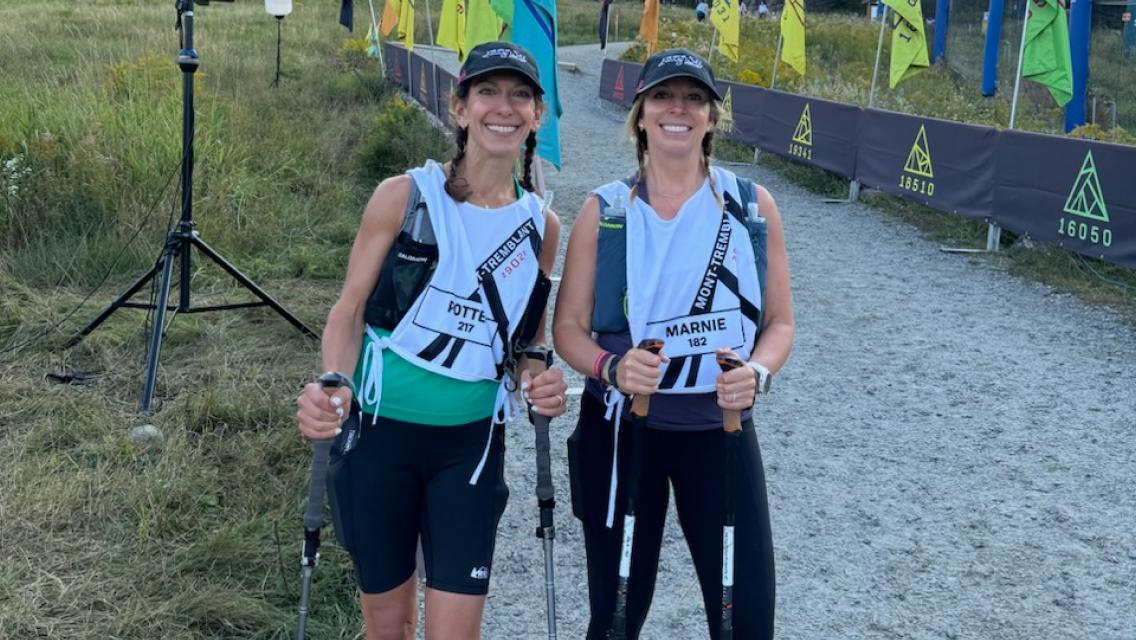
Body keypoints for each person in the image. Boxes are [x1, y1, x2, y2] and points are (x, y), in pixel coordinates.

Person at [296, 41, 568, 640]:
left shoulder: (541, 226)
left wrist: (538, 378)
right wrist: (334, 383)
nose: (505, 107)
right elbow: (349, 311)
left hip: (469, 445)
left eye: (520, 94)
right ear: (460, 107)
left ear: (537, 115)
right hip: (379, 436)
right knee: (389, 626)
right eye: (488, 92)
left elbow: (527, 341)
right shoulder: (404, 196)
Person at [553, 48, 794, 640]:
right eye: (662, 97)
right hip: (621, 433)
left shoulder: (750, 206)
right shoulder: (605, 210)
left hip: (721, 432)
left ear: (713, 116)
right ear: (639, 114)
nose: (677, 110)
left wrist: (758, 372)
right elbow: (567, 330)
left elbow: (780, 323)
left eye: (693, 99)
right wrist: (612, 367)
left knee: (747, 619)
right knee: (615, 618)